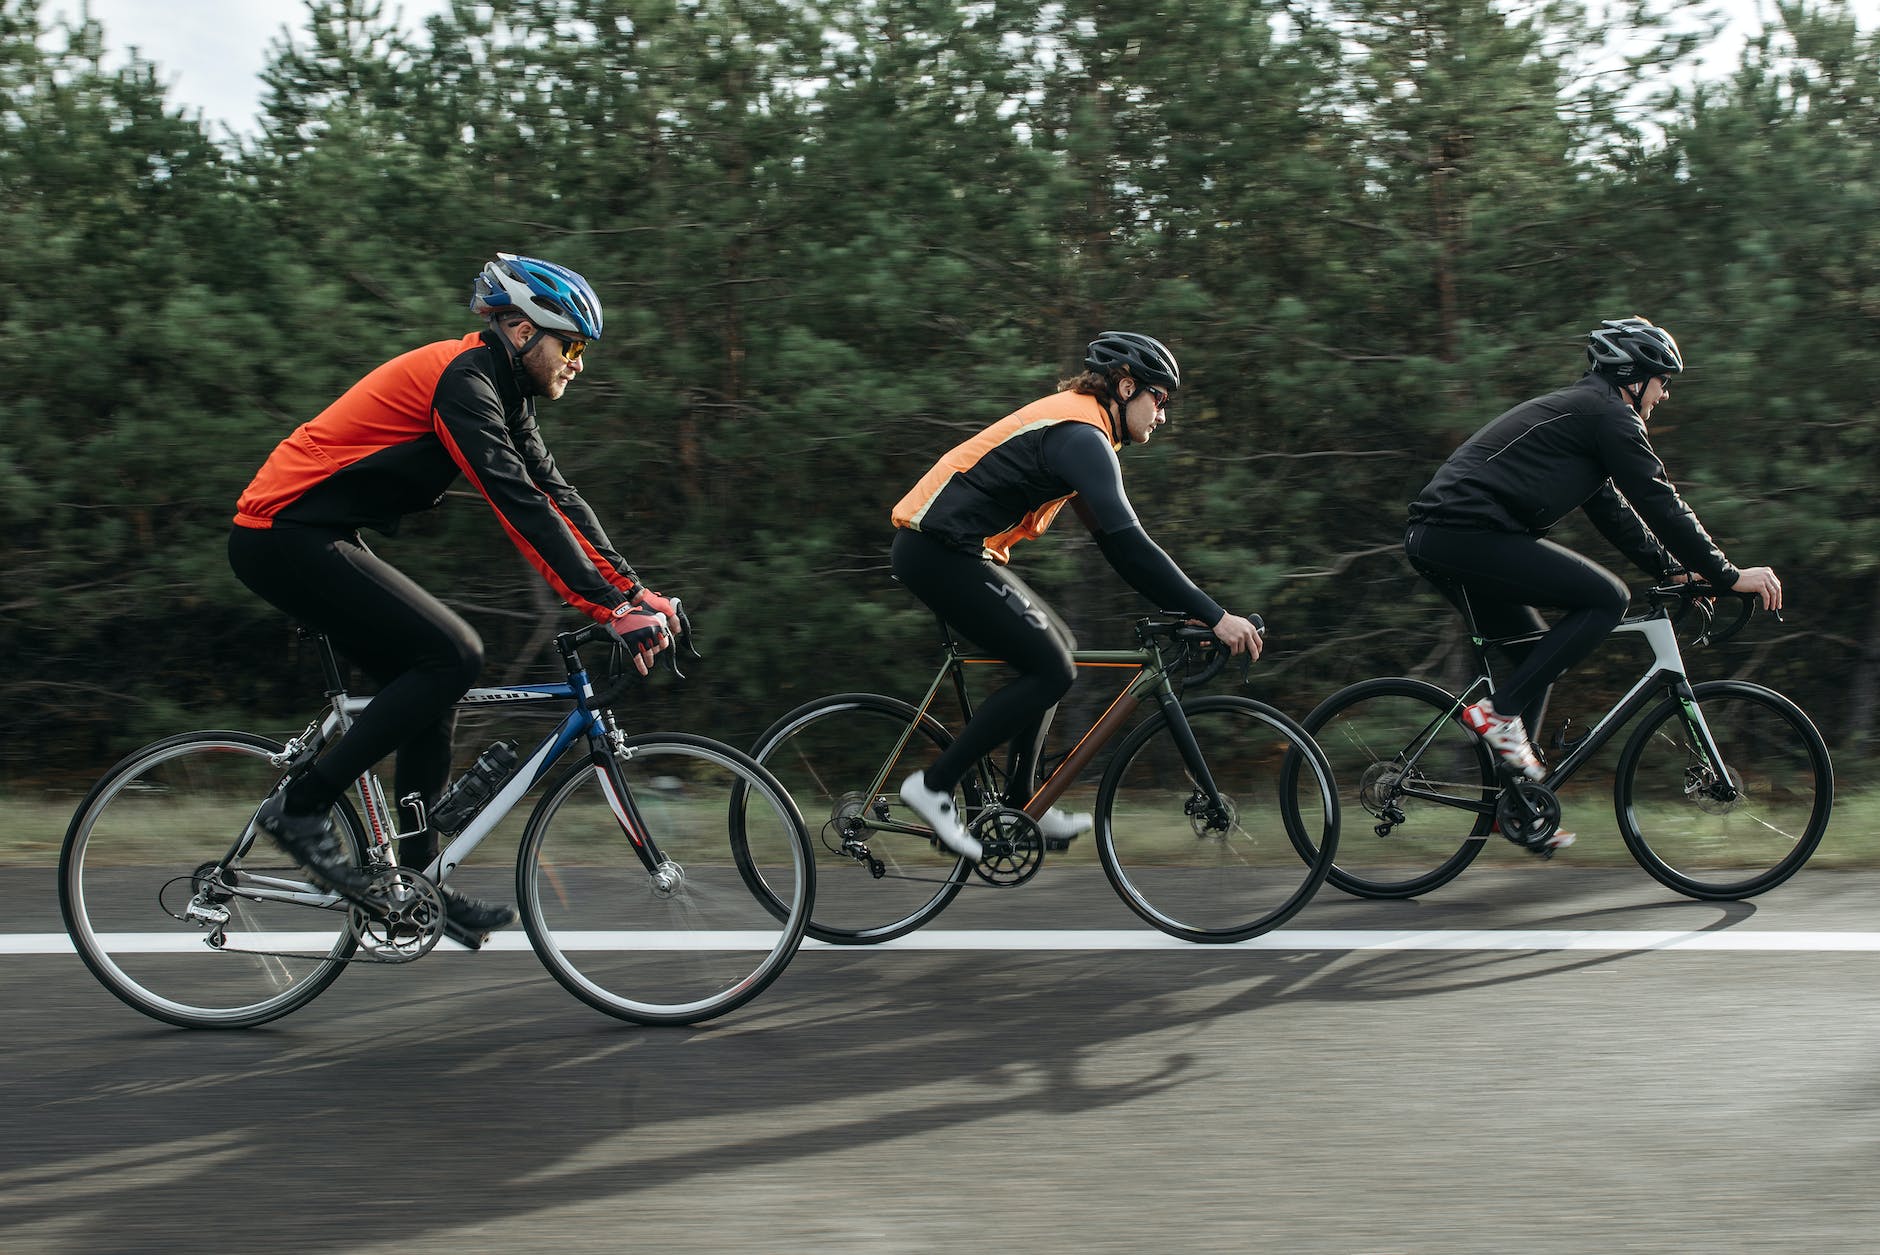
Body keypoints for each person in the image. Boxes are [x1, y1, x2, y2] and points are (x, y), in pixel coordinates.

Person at [228, 253, 676, 940]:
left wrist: (632, 590)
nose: (579, 363)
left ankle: (416, 888)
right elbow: (518, 504)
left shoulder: (499, 389)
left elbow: (559, 497)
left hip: (313, 531)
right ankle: (303, 806)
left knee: (430, 685)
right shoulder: (462, 383)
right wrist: (607, 608)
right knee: (454, 655)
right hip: (278, 533)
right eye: (573, 344)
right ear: (523, 331)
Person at [1404, 316, 1783, 850]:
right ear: (1634, 377)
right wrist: (1726, 574)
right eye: (1663, 381)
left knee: (1533, 655)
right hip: (1460, 534)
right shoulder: (1608, 415)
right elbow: (1660, 499)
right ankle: (1497, 715)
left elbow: (1616, 512)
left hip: (1453, 536)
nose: (1666, 395)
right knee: (1607, 598)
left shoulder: (1590, 415)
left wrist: (1673, 570)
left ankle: (1514, 807)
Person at [889, 331, 1263, 861]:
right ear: (1126, 386)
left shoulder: (1085, 433)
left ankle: (1022, 807)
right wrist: (1216, 615)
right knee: (1052, 667)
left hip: (950, 551)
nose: (1162, 415)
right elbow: (1131, 544)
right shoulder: (1080, 435)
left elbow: (1117, 549)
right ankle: (932, 786)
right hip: (938, 551)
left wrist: (1193, 610)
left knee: (1056, 650)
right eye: (1159, 399)